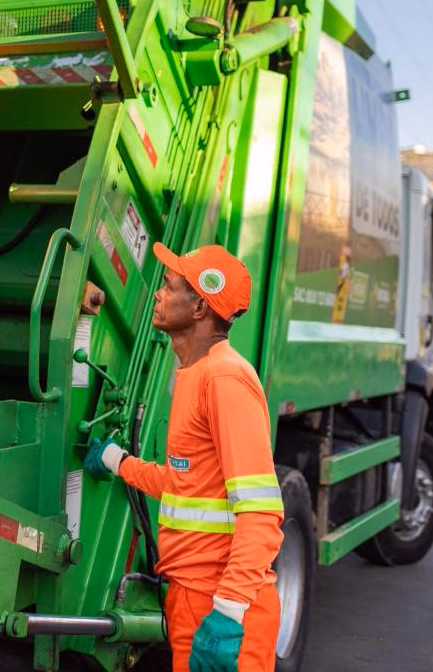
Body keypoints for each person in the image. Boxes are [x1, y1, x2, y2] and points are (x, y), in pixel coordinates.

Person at [83, 243, 284, 672]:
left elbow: (261, 511)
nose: (158, 293)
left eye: (170, 286)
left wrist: (228, 613)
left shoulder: (225, 378)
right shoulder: (196, 375)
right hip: (193, 597)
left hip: (222, 607)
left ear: (199, 307)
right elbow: (185, 484)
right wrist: (118, 461)